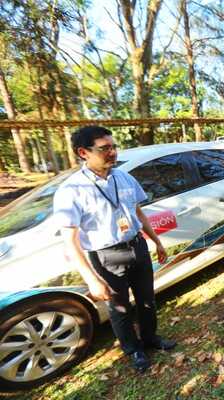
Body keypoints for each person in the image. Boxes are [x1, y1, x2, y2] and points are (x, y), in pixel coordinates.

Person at [53, 126, 176, 373]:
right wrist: (92, 280)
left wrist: (157, 242)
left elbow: (138, 212)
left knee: (147, 300)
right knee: (120, 309)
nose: (112, 152)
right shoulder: (71, 190)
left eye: (113, 146)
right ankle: (134, 350)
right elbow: (70, 240)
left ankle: (150, 338)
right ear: (83, 152)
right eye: (104, 148)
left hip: (137, 247)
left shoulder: (125, 177)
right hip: (107, 256)